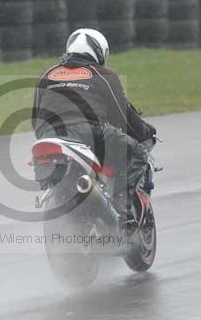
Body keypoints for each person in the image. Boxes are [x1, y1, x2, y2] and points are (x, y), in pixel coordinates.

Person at [31, 28, 156, 224]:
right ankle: (124, 210)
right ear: (100, 52)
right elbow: (122, 114)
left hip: (49, 137)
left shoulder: (47, 74)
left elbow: (35, 118)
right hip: (89, 131)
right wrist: (145, 133)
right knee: (136, 152)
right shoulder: (102, 74)